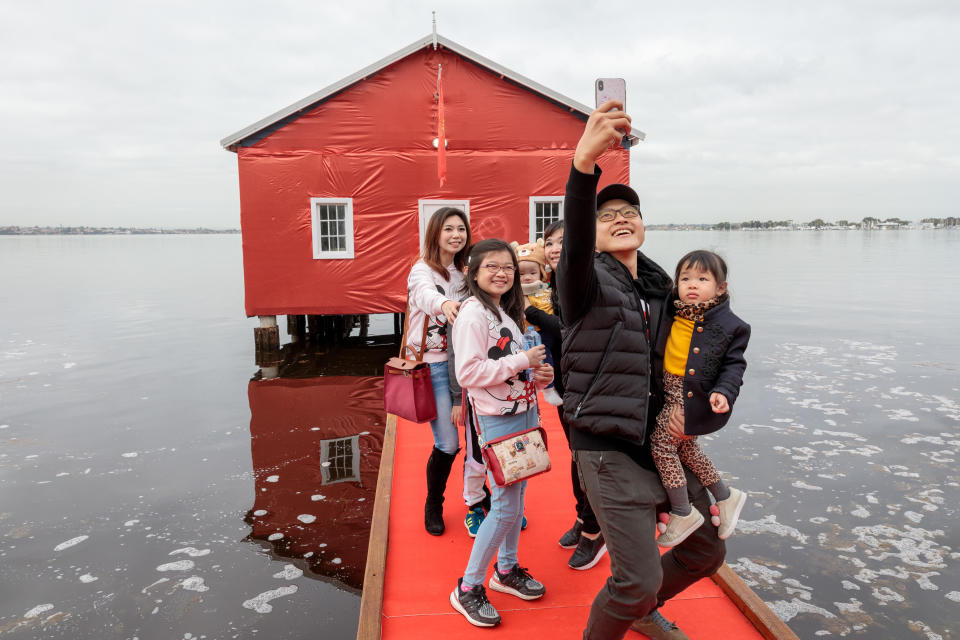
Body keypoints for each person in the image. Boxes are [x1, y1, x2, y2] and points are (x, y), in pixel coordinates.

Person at [557, 101, 726, 640]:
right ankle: (636, 603)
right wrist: (584, 165)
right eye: (608, 216)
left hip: (660, 443)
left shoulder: (663, 292)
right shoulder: (582, 285)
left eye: (630, 212)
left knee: (707, 549)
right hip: (607, 450)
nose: (621, 218)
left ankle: (642, 610)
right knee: (634, 579)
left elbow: (700, 354)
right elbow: (577, 243)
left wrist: (719, 394)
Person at [449, 239, 553, 628]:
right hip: (496, 418)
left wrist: (539, 374)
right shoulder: (473, 314)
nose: (502, 273)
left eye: (508, 267)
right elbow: (468, 374)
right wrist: (521, 360)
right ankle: (468, 587)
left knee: (518, 494)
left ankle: (506, 570)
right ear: (474, 272)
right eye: (492, 266)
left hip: (524, 412)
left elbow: (517, 365)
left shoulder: (504, 312)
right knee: (506, 504)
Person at [652, 250, 750, 548]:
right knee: (688, 450)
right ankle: (725, 495)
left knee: (662, 445)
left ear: (721, 287)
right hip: (669, 391)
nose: (692, 284)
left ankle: (683, 511)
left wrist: (724, 392)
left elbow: (734, 366)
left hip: (692, 397)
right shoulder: (674, 308)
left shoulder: (731, 325)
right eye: (685, 278)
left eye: (702, 279)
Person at [522, 221, 605, 571]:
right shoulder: (554, 283)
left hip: (591, 384)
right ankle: (583, 518)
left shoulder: (588, 281)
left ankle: (595, 531)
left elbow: (574, 330)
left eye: (563, 242)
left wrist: (533, 314)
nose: (555, 248)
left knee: (588, 459)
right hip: (568, 382)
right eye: (550, 243)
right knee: (576, 455)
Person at [405, 207, 470, 536]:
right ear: (435, 233)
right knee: (447, 442)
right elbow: (426, 297)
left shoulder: (465, 273)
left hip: (466, 364)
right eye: (449, 229)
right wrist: (445, 305)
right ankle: (434, 503)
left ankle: (479, 498)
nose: (456, 234)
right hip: (433, 367)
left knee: (475, 436)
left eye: (461, 228)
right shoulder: (422, 270)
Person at [511, 239, 563, 406]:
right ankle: (548, 388)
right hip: (533, 333)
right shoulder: (517, 293)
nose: (527, 278)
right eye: (521, 274)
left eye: (532, 273)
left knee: (553, 358)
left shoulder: (546, 288)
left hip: (552, 329)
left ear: (541, 272)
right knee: (543, 357)